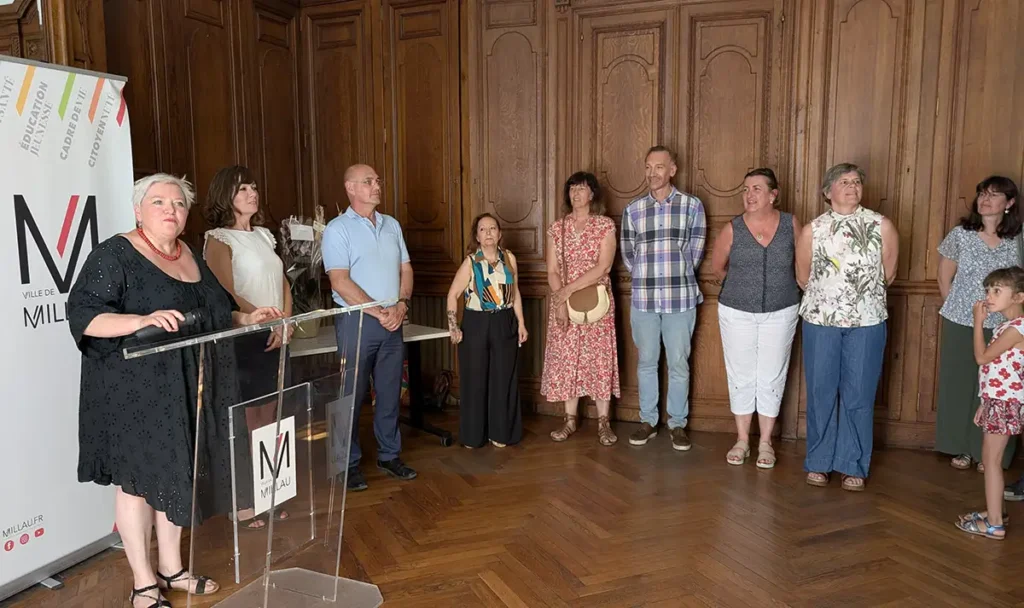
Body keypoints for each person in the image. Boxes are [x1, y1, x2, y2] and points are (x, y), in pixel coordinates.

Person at [67, 174, 282, 608]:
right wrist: (139, 320)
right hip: (133, 393)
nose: (170, 209)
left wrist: (248, 318)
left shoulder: (190, 256)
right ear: (138, 210)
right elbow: (84, 315)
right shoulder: (116, 254)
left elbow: (216, 311)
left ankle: (172, 569)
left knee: (176, 475)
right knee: (136, 484)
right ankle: (143, 582)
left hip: (186, 390)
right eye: (159, 201)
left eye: (179, 203)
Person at [796, 162, 898, 492]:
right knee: (821, 392)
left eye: (856, 181)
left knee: (859, 394)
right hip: (821, 321)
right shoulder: (813, 230)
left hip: (867, 321)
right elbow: (803, 277)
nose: (852, 186)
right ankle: (819, 462)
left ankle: (853, 463)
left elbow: (889, 274)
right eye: (844, 181)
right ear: (828, 192)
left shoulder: (882, 225)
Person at [203, 164, 294, 526]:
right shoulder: (218, 239)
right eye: (243, 189)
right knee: (243, 421)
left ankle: (268, 492)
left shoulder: (265, 236)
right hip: (244, 337)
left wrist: (286, 321)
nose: (252, 193)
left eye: (254, 187)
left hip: (276, 333)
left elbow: (283, 281)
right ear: (226, 196)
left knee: (268, 419)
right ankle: (242, 502)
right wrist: (264, 320)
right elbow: (225, 292)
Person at [322, 164, 416, 492]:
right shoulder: (337, 229)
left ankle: (389, 455)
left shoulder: (392, 225)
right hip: (358, 322)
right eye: (369, 181)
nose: (377, 185)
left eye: (377, 180)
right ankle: (345, 464)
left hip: (393, 319)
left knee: (389, 393)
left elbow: (406, 269)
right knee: (349, 395)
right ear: (350, 188)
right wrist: (380, 312)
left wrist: (402, 305)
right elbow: (340, 281)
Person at [709, 168, 801, 468]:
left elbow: (803, 266)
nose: (749, 195)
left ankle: (765, 443)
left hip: (782, 309)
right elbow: (718, 267)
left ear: (773, 195)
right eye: (746, 189)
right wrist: (743, 289)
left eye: (757, 189)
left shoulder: (791, 224)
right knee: (741, 375)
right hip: (736, 312)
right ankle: (742, 439)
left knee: (772, 375)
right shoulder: (732, 228)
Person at [620, 145, 706, 450]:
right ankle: (648, 421)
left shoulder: (692, 206)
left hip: (679, 297)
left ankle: (677, 423)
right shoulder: (632, 210)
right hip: (644, 298)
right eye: (648, 167)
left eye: (659, 167)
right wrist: (648, 275)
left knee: (679, 363)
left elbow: (694, 253)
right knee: (646, 361)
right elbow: (629, 254)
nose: (652, 173)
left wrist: (673, 274)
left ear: (672, 170)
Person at [935, 176, 1020, 472]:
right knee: (959, 384)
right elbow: (944, 277)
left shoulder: (1018, 239)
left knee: (997, 389)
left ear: (1008, 203)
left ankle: (989, 453)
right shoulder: (961, 234)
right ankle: (960, 448)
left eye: (994, 195)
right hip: (962, 319)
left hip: (1005, 325)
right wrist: (960, 308)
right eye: (982, 193)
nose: (985, 199)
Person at [542, 171, 620, 445]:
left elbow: (604, 266)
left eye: (582, 188)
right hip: (564, 304)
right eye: (572, 188)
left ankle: (603, 422)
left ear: (592, 194)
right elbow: (552, 270)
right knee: (567, 360)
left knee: (599, 360)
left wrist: (566, 291)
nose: (576, 193)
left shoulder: (605, 226)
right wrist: (560, 301)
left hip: (597, 303)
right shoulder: (557, 228)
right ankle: (570, 420)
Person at [445, 213, 528, 448]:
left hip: (505, 321)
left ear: (500, 233)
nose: (488, 233)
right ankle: (473, 436)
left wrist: (521, 322)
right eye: (483, 229)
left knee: (503, 379)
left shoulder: (510, 258)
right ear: (477, 235)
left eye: (493, 228)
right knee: (475, 378)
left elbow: (516, 292)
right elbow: (453, 295)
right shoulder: (471, 262)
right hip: (476, 323)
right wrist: (453, 327)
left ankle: (501, 434)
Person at [954, 266, 1024, 541]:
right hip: (998, 400)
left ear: (1018, 297)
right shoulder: (1007, 326)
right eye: (987, 290)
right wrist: (986, 401)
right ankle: (997, 512)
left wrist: (977, 323)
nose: (989, 296)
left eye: (997, 291)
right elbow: (998, 370)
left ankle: (995, 524)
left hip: (1005, 403)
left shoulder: (1016, 329)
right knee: (990, 459)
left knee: (991, 461)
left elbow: (982, 358)